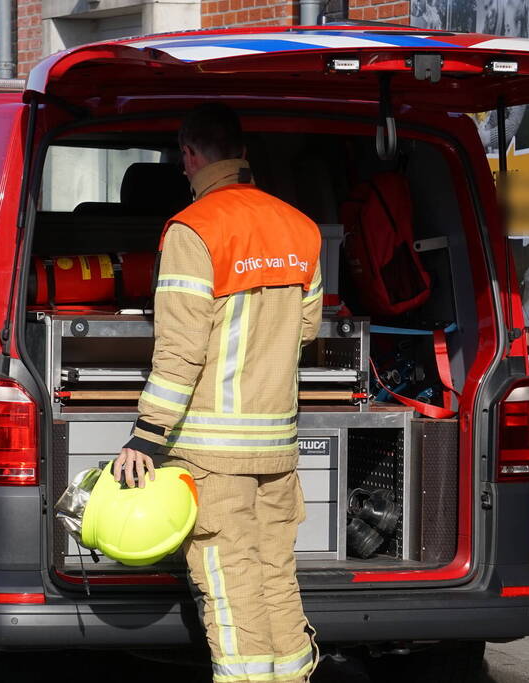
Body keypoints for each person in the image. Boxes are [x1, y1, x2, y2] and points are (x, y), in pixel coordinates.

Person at [113, 102, 323, 683]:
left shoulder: (192, 230)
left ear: (189, 154)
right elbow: (306, 330)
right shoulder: (300, 227)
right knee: (276, 577)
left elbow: (181, 352)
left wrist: (145, 440)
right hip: (277, 449)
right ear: (242, 151)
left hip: (212, 454)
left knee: (230, 589)